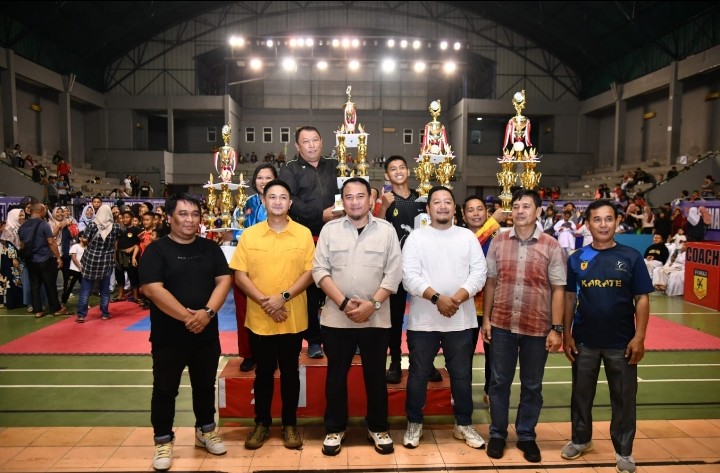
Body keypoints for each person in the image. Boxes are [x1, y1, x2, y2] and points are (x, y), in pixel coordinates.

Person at [139, 193, 231, 471]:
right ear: (169, 218)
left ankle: (205, 430)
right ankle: (163, 440)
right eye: (183, 214)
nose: (190, 219)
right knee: (165, 389)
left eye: (194, 214)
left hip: (206, 333)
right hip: (169, 336)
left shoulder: (210, 248)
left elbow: (224, 280)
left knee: (205, 385)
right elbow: (153, 289)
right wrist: (188, 317)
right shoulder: (156, 251)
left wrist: (207, 313)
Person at [312, 177, 402, 457]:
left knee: (375, 376)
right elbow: (319, 270)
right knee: (336, 376)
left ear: (371, 199)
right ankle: (334, 428)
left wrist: (371, 305)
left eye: (360, 196)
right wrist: (343, 304)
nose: (354, 202)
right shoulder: (329, 230)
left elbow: (394, 274)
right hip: (336, 319)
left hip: (375, 318)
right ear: (342, 201)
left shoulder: (387, 231)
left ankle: (378, 427)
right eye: (349, 197)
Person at [561, 199, 653, 473]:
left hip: (622, 343)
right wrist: (566, 334)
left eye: (609, 219)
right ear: (587, 224)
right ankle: (581, 439)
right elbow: (568, 298)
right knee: (581, 395)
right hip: (584, 341)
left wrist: (639, 337)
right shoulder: (577, 258)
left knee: (624, 399)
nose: (603, 224)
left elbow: (642, 298)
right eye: (597, 219)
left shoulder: (631, 257)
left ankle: (624, 451)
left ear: (617, 222)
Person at [482, 189, 567, 463]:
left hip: (537, 327)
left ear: (538, 211)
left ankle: (527, 435)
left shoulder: (551, 245)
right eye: (516, 206)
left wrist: (557, 328)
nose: (520, 211)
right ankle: (497, 433)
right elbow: (491, 282)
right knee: (498, 383)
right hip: (502, 324)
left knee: (532, 386)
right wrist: (486, 319)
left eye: (526, 206)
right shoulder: (498, 241)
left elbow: (558, 289)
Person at [230, 179, 315, 450]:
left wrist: (283, 298)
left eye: (283, 197)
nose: (277, 201)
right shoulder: (249, 235)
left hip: (292, 316)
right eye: (272, 197)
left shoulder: (303, 234)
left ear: (290, 202)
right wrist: (266, 302)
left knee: (290, 373)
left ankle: (290, 424)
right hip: (260, 317)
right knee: (263, 373)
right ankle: (262, 424)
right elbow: (240, 274)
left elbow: (310, 273)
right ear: (263, 201)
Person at [401, 186, 488, 450]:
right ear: (428, 209)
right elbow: (409, 277)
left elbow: (479, 273)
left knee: (461, 375)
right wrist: (438, 298)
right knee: (418, 374)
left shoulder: (467, 237)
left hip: (460, 320)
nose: (442, 206)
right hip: (423, 321)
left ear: (454, 208)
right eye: (436, 202)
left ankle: (463, 423)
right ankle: (414, 422)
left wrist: (456, 299)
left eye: (447, 202)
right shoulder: (416, 238)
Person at [279, 126, 342, 359]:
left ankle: (345, 336)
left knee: (340, 287)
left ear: (322, 141)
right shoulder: (290, 169)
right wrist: (319, 215)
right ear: (298, 146)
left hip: (338, 237)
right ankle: (314, 340)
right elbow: (290, 200)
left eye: (315, 140)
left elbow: (351, 189)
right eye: (306, 141)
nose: (312, 145)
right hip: (306, 238)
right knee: (310, 294)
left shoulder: (335, 165)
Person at [375, 155, 432, 384]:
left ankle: (425, 363)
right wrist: (383, 206)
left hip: (422, 267)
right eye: (393, 169)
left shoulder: (422, 197)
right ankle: (396, 363)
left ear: (408, 171)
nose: (398, 171)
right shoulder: (385, 200)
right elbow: (376, 228)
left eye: (402, 167)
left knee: (425, 316)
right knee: (396, 319)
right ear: (387, 175)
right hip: (395, 267)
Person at [231, 163, 279, 373]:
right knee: (244, 312)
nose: (264, 181)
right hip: (246, 264)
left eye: (269, 177)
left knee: (272, 309)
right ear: (254, 181)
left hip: (274, 263)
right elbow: (234, 230)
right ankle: (248, 354)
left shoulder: (280, 203)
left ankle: (272, 355)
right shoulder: (245, 203)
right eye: (260, 177)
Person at [461, 195, 506, 407]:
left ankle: (491, 391)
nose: (476, 213)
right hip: (465, 306)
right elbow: (470, 249)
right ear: (463, 215)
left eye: (480, 209)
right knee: (463, 355)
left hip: (493, 305)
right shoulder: (459, 237)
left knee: (494, 355)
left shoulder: (498, 236)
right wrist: (493, 222)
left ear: (486, 213)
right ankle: (462, 394)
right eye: (470, 210)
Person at [74, 205, 123, 323]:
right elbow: (124, 231)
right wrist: (117, 219)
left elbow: (84, 239)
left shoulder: (92, 225)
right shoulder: (115, 227)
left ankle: (81, 315)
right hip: (106, 260)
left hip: (91, 260)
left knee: (85, 289)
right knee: (105, 289)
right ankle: (105, 313)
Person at [18, 203, 66, 318]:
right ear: (41, 211)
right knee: (50, 285)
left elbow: (22, 244)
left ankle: (38, 310)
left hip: (30, 260)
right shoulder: (44, 224)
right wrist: (58, 258)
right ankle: (56, 309)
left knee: (35, 286)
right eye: (44, 210)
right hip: (44, 259)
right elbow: (51, 242)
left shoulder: (22, 226)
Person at [113, 210, 141, 303]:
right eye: (123, 218)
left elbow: (139, 243)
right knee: (119, 275)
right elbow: (116, 242)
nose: (125, 219)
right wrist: (114, 254)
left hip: (130, 256)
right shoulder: (119, 229)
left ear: (131, 219)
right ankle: (120, 295)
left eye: (127, 217)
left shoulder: (136, 230)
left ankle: (136, 297)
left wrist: (131, 249)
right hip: (119, 255)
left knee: (133, 275)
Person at [0, 209, 26, 309]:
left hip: (18, 256)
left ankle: (19, 301)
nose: (22, 217)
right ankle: (11, 302)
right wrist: (14, 258)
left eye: (23, 215)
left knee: (18, 279)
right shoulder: (8, 229)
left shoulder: (18, 227)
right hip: (10, 258)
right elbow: (8, 244)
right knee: (12, 279)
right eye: (19, 215)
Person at [61, 232, 86, 304]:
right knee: (68, 288)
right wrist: (80, 267)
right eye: (84, 237)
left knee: (85, 288)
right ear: (80, 238)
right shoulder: (75, 246)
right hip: (73, 270)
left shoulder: (87, 247)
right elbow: (74, 258)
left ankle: (85, 303)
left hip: (83, 271)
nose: (86, 238)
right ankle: (63, 303)